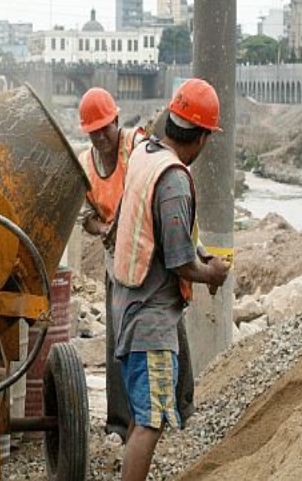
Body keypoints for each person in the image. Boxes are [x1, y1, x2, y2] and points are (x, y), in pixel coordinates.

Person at [111, 78, 231, 481]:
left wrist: (197, 256)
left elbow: (161, 234)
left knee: (142, 414)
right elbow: (180, 262)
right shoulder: (175, 178)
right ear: (199, 137)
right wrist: (210, 271)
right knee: (152, 420)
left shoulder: (146, 154)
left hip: (127, 306)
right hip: (151, 320)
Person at [76, 87, 146, 440]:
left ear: (117, 120)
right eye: (94, 131)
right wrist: (105, 227)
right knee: (118, 337)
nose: (101, 136)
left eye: (106, 127)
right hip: (114, 258)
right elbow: (85, 218)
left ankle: (177, 404)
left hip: (149, 256)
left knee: (163, 328)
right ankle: (120, 422)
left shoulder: (136, 146)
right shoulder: (86, 164)